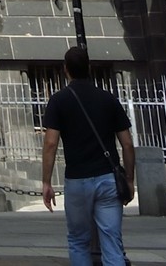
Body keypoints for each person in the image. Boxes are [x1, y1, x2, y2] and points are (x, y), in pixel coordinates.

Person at [41, 46, 134, 266]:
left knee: (78, 240)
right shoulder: (108, 99)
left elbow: (50, 143)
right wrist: (129, 179)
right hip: (107, 178)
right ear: (89, 68)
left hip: (77, 180)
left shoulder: (59, 100)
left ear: (66, 70)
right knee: (111, 240)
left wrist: (46, 181)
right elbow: (128, 145)